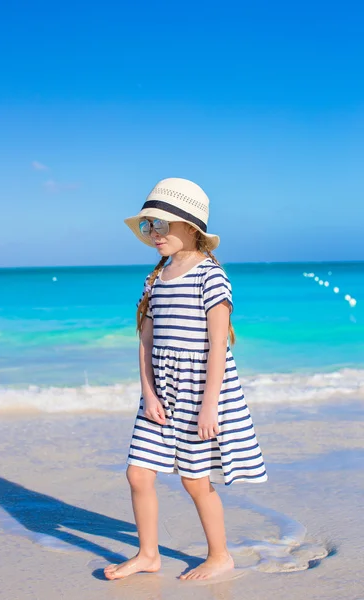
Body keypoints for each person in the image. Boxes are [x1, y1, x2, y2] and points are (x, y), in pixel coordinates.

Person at [104, 178, 267, 582]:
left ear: (190, 227)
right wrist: (148, 392)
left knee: (195, 480)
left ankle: (220, 555)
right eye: (148, 226)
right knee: (138, 473)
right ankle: (148, 554)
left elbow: (218, 347)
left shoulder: (210, 278)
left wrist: (209, 403)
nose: (154, 234)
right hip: (159, 392)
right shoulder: (155, 279)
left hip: (199, 391)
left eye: (162, 225)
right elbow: (145, 341)